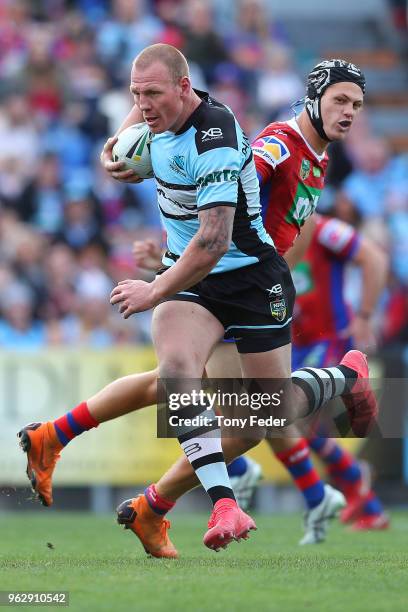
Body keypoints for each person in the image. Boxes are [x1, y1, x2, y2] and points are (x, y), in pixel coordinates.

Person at [19, 51, 377, 554]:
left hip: (252, 284)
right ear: (313, 100)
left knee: (258, 417)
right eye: (340, 100)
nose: (348, 112)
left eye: (356, 105)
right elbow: (216, 198)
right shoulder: (273, 144)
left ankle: (345, 379)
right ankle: (200, 503)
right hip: (200, 271)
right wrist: (122, 158)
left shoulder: (317, 155)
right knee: (177, 374)